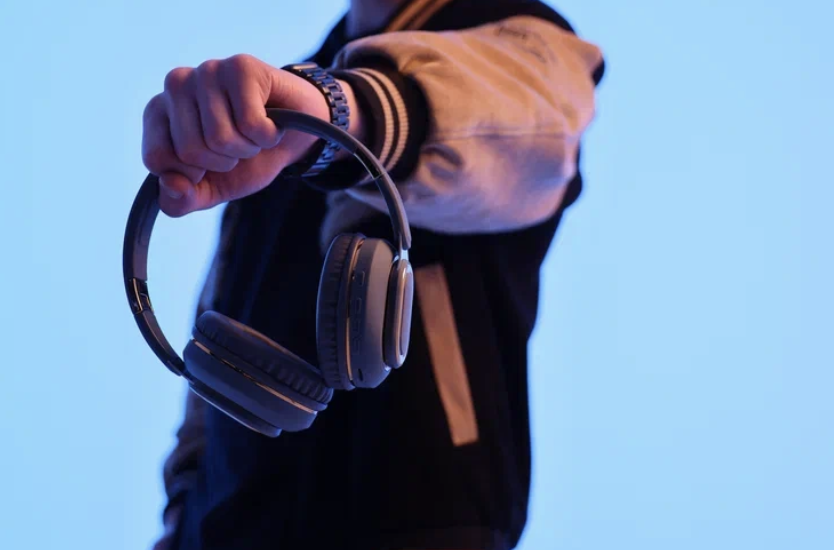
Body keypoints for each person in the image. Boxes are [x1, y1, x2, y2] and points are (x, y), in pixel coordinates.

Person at [141, 0, 605, 548]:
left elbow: (531, 126)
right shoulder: (274, 106)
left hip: (419, 518)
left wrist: (334, 113)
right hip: (223, 529)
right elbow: (219, 326)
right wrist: (181, 511)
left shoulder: (525, 46)